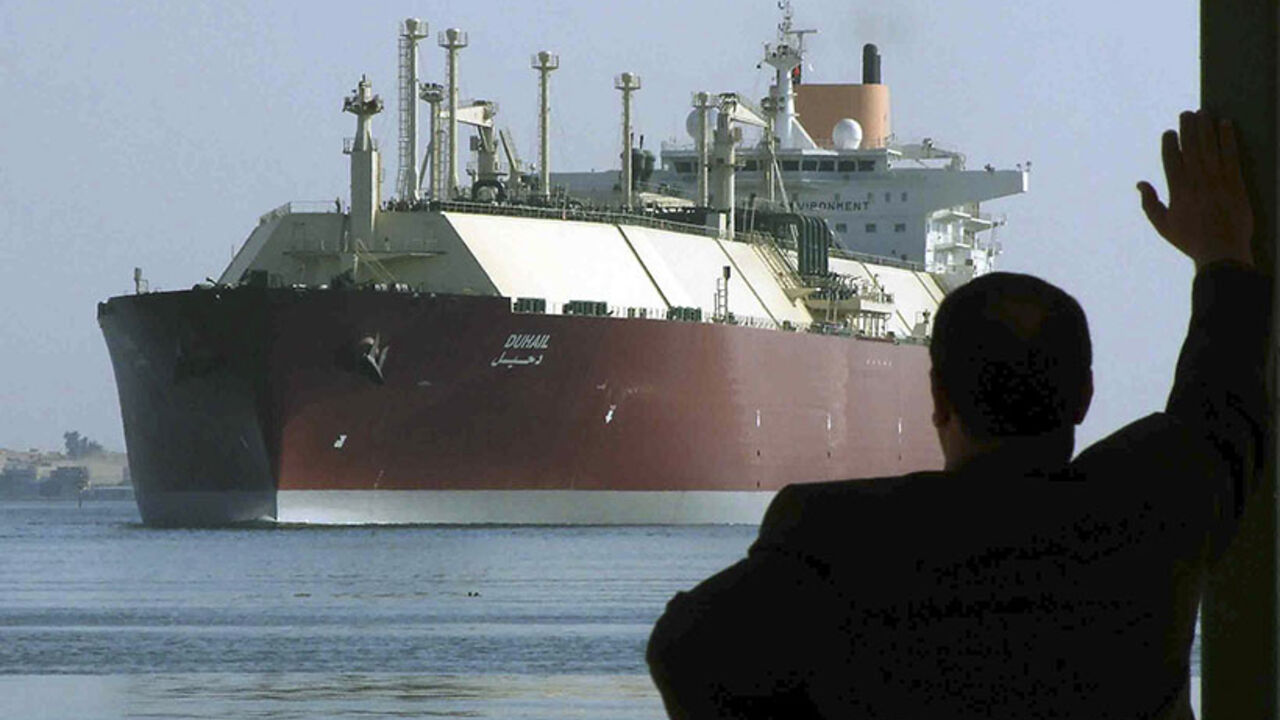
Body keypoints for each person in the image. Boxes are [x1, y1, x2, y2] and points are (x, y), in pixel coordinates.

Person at [646, 110, 1268, 719]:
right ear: (1085, 395)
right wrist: (1222, 259)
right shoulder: (1154, 504)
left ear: (937, 397)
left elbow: (682, 653)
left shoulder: (836, 536)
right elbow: (1223, 394)